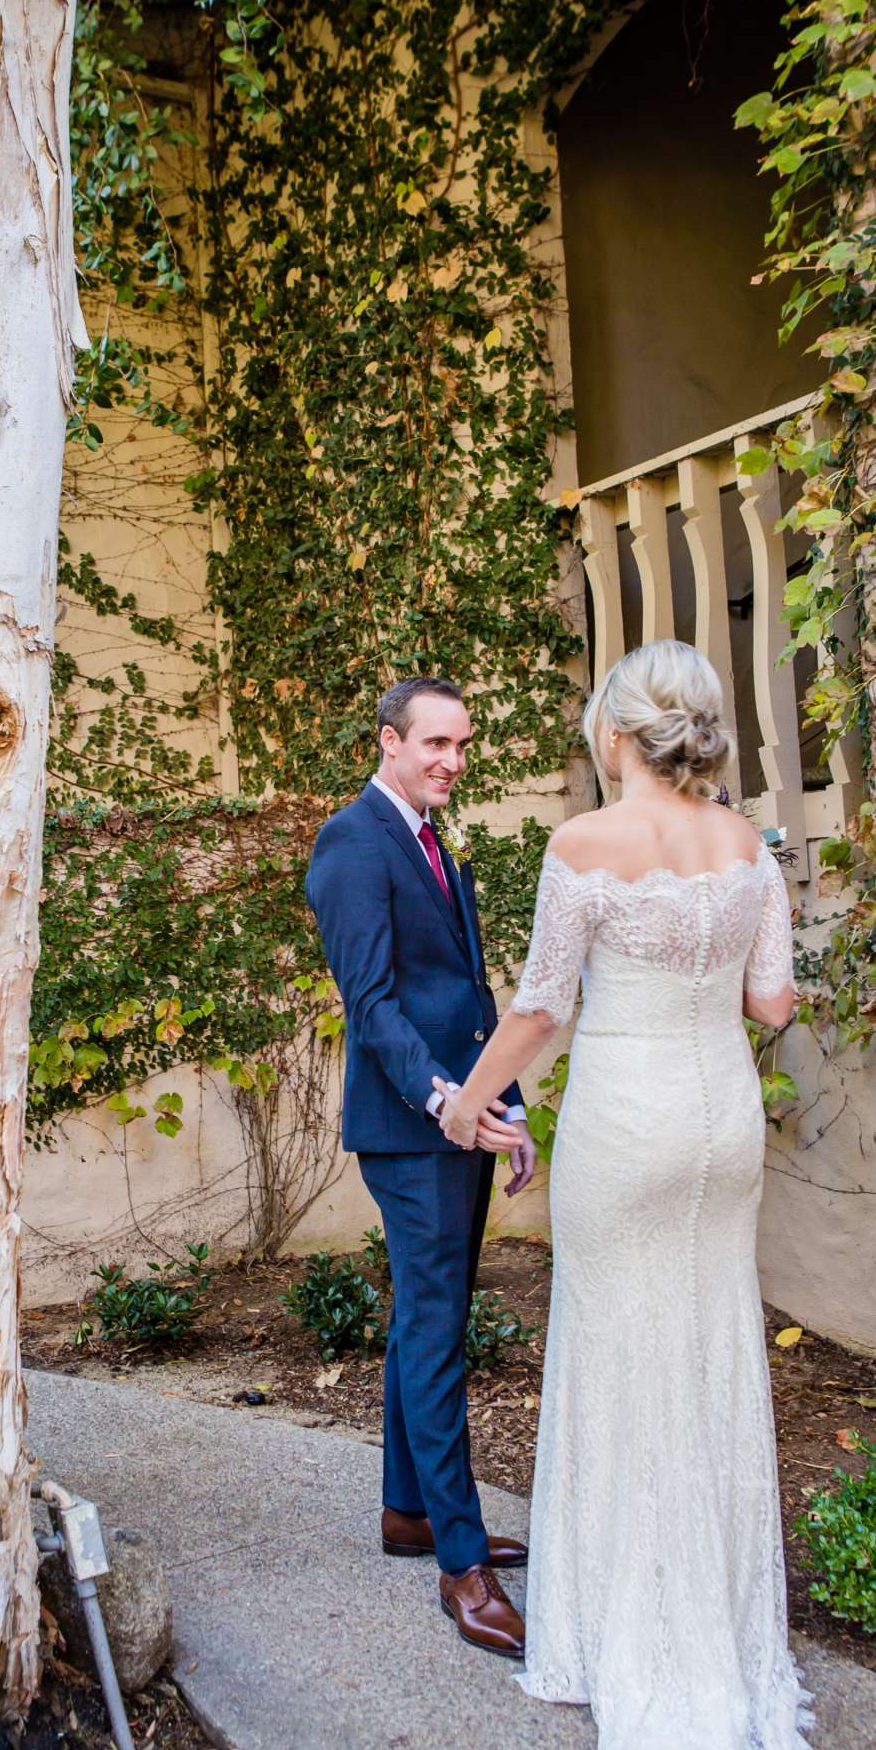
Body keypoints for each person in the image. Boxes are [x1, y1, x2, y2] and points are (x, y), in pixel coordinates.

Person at [437, 638, 820, 1750]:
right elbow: (773, 1006)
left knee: (614, 1356)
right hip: (721, 1124)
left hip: (626, 1121)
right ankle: (720, 1638)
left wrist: (472, 1104)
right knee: (711, 1357)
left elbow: (543, 1008)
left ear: (619, 731)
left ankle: (623, 1641)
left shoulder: (582, 846)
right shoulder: (752, 846)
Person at [305, 677, 535, 1658]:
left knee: (420, 1320)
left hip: (465, 1115)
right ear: (389, 741)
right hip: (413, 1128)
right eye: (434, 743)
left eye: (461, 745)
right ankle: (459, 1561)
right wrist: (447, 1102)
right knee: (439, 1333)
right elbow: (373, 1004)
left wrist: (504, 1099)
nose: (450, 760)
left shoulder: (438, 845)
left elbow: (467, 997)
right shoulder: (352, 843)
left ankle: (408, 1512)